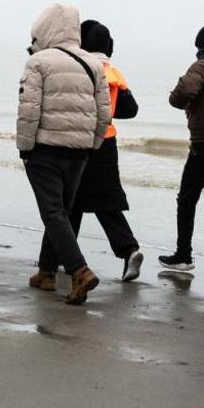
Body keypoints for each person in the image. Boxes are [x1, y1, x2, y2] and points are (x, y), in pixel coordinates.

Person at [16, 3, 112, 305]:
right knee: (62, 214)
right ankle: (46, 272)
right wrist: (93, 144)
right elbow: (103, 113)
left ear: (43, 30)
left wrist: (25, 147)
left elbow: (29, 110)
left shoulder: (38, 62)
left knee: (53, 212)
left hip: (45, 149)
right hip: (80, 152)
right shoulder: (94, 64)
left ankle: (79, 270)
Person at [61, 19, 143, 283]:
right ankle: (129, 249)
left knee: (69, 202)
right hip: (106, 143)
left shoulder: (79, 68)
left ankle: (66, 255)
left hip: (79, 141)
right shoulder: (112, 72)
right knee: (106, 204)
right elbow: (129, 109)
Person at [158, 23, 204, 279]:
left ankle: (183, 255)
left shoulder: (201, 66)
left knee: (187, 199)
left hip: (203, 144)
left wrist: (180, 100)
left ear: (201, 46)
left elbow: (184, 92)